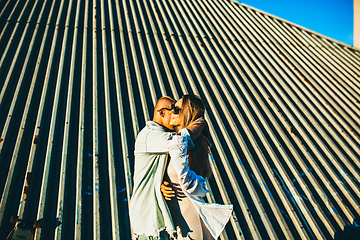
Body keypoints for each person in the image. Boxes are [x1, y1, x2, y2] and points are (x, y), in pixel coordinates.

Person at [129, 96, 208, 240]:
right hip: (150, 222)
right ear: (162, 113)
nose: (173, 114)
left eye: (177, 110)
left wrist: (162, 184)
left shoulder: (183, 145)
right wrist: (160, 185)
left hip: (185, 224)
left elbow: (192, 181)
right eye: (173, 110)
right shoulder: (150, 135)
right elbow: (179, 142)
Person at [161, 95, 233, 240]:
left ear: (187, 113)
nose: (171, 113)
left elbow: (190, 184)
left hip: (192, 224)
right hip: (178, 224)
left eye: (176, 109)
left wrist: (200, 124)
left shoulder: (193, 146)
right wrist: (163, 186)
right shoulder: (174, 143)